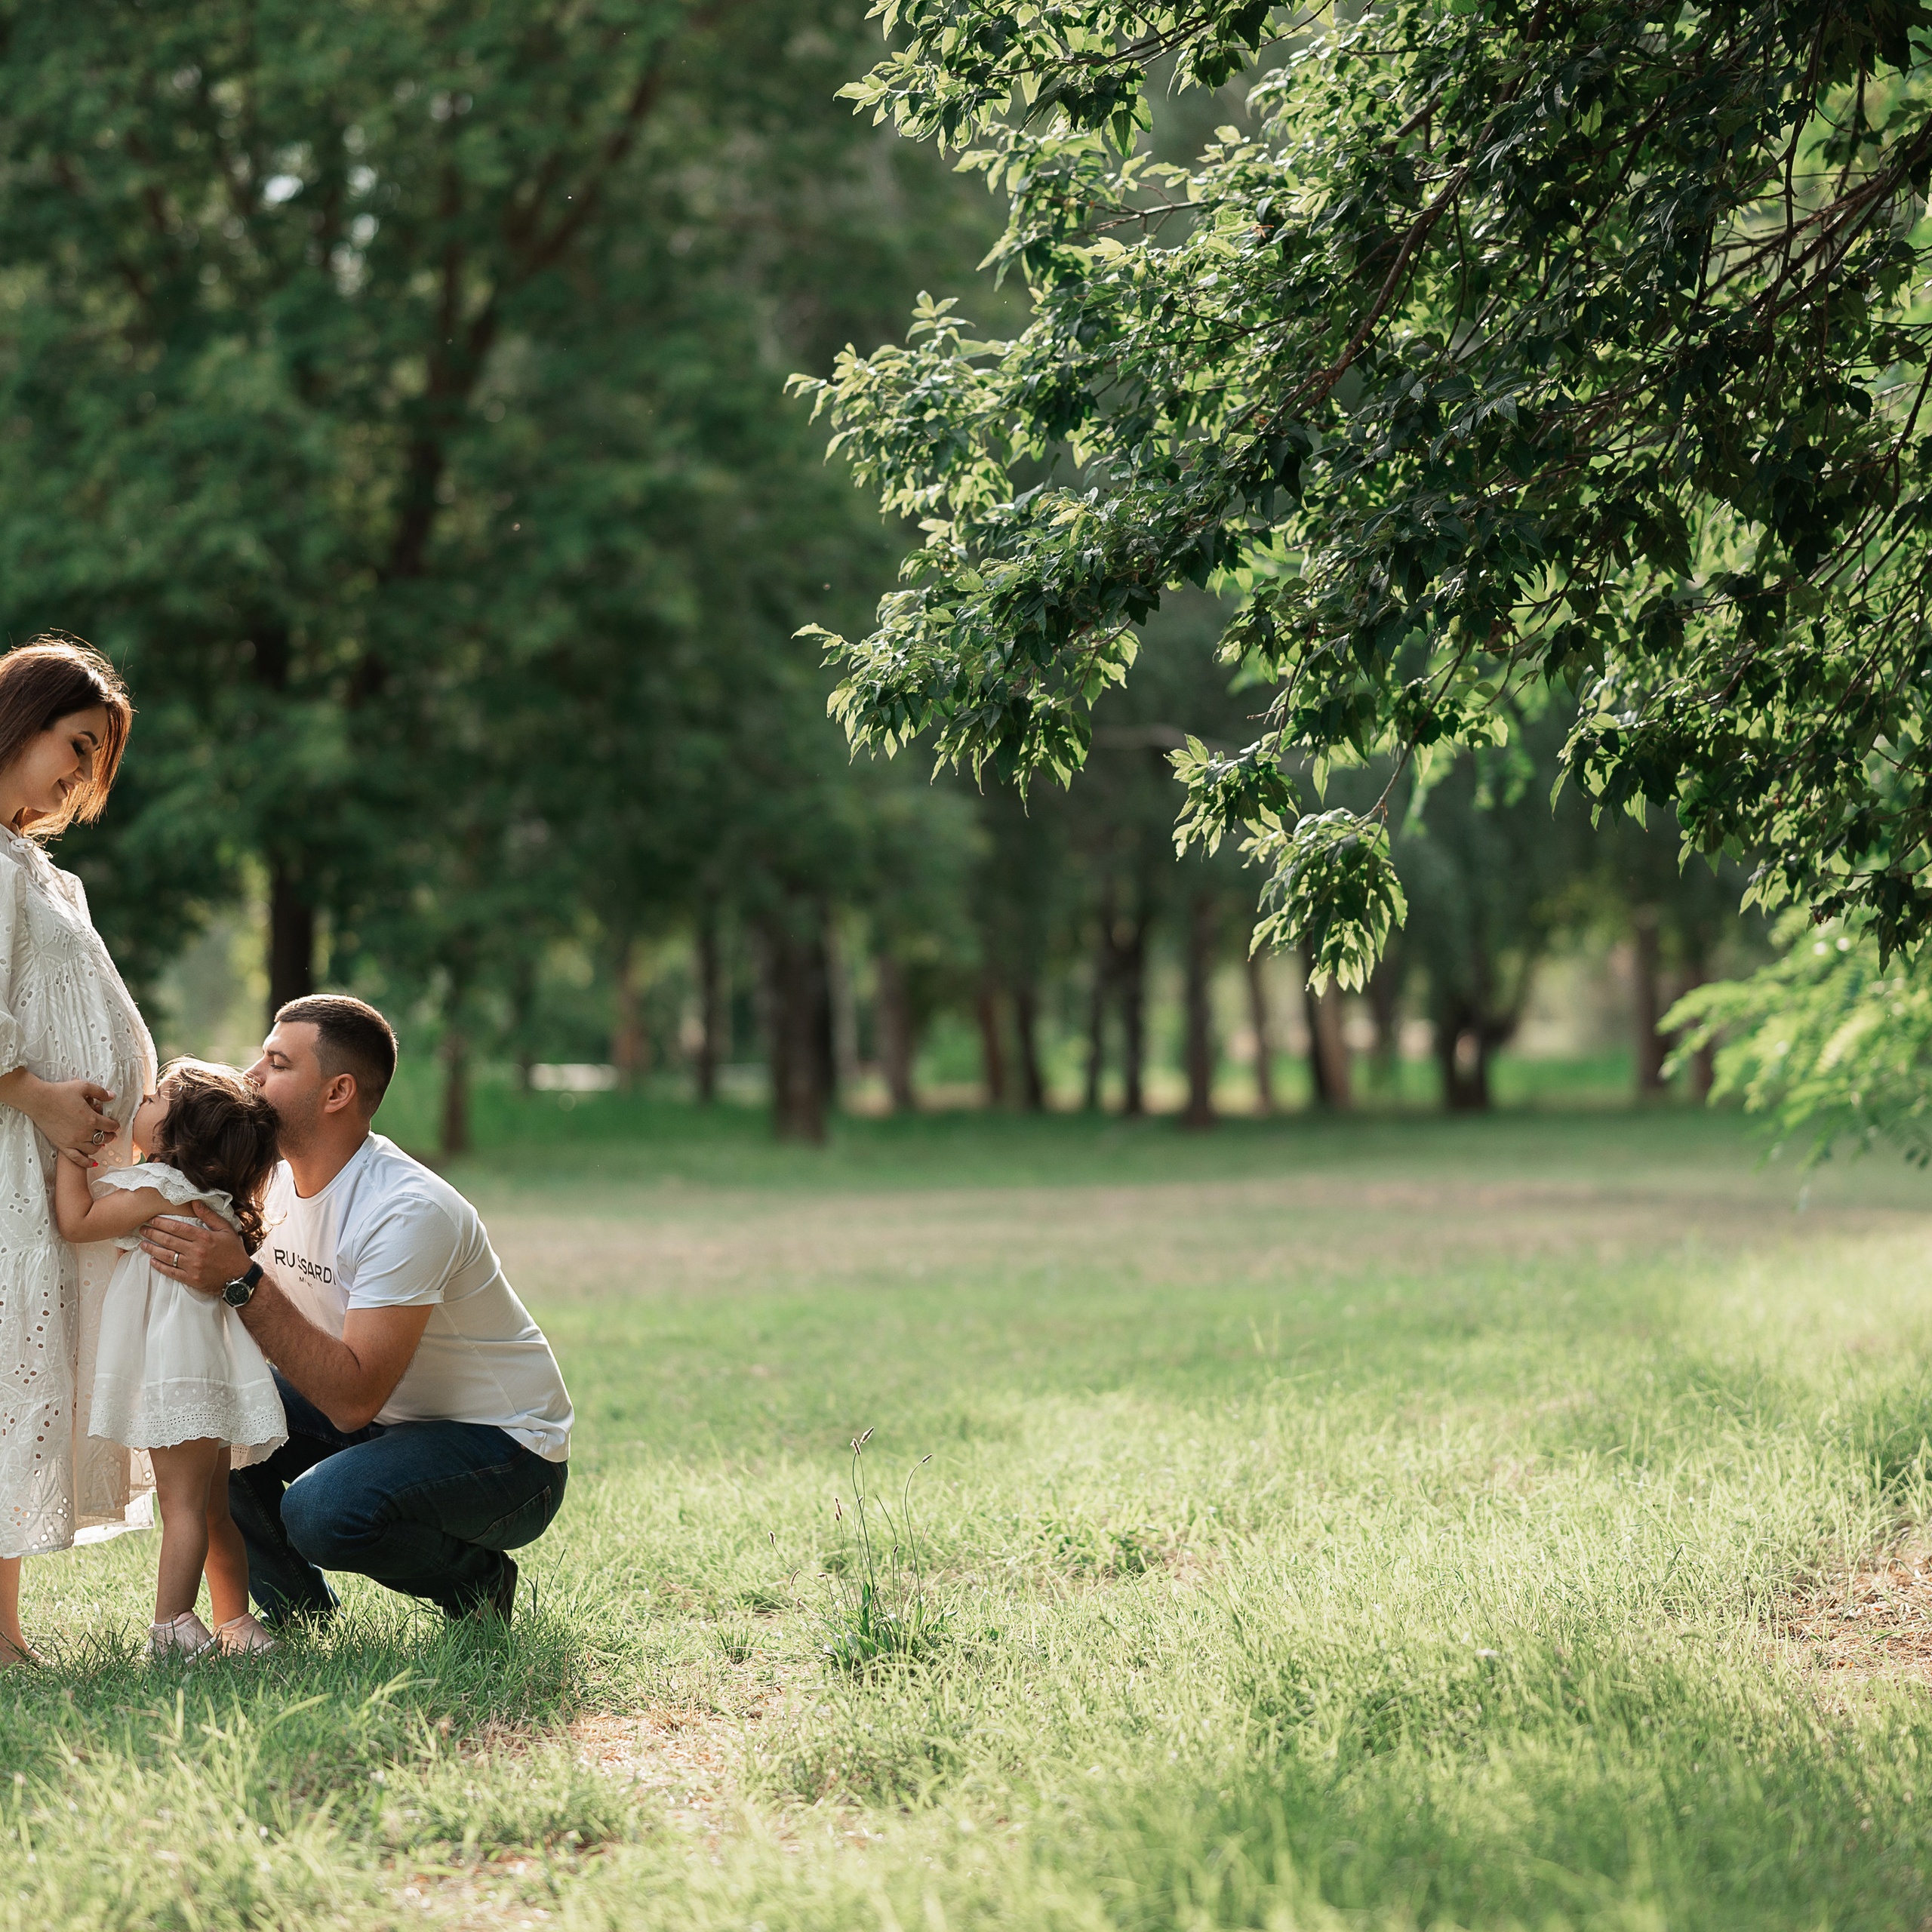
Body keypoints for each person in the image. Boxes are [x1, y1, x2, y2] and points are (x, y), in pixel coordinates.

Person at [142, 995, 572, 1626]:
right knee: (212, 1413)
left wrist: (240, 1279)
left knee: (322, 1510)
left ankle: (480, 1587)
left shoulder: (407, 1209)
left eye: (277, 1063)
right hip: (390, 1423)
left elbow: (352, 1400)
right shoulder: (269, 1182)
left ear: (337, 1092)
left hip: (506, 1453)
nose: (252, 1076)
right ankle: (300, 1618)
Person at [0, 637, 154, 1669]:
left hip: (56, 1169)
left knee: (24, 1378)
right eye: (78, 743)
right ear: (20, 720)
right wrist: (39, 1097)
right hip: (14, 1159)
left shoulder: (39, 872)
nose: (85, 774)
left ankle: (3, 1627)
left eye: (99, 756)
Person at [56, 1060, 285, 1659]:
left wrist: (69, 1156)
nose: (143, 1099)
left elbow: (77, 1223)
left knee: (180, 1507)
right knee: (212, 1511)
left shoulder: (157, 1190)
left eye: (157, 1097)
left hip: (177, 1372)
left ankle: (172, 1626)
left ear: (177, 1137)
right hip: (208, 1370)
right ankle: (237, 1622)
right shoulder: (208, 1197)